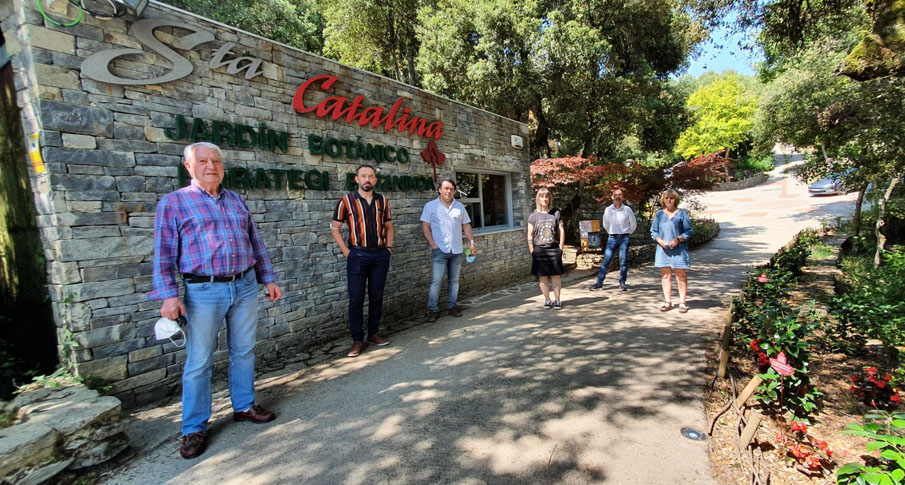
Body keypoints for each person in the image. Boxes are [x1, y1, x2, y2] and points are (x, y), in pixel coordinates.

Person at [149, 142, 283, 460]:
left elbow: (255, 242)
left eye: (216, 161)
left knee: (244, 351)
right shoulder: (174, 203)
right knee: (199, 362)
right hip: (202, 292)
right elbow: (163, 254)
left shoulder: (236, 200)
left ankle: (244, 406)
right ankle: (194, 428)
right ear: (188, 166)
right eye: (203, 161)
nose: (211, 166)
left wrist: (269, 278)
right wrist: (168, 295)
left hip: (245, 286)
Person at [331, 165, 394, 358]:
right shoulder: (346, 201)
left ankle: (373, 333)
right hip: (357, 255)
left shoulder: (382, 200)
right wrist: (346, 252)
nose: (367, 179)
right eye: (363, 176)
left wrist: (389, 248)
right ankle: (357, 340)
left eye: (371, 176)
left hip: (379, 255)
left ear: (375, 180)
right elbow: (335, 228)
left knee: (376, 297)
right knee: (356, 298)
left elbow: (389, 226)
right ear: (357, 179)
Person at [420, 178, 476, 322]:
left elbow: (467, 226)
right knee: (436, 281)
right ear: (439, 189)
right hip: (439, 250)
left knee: (454, 281)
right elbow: (425, 226)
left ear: (454, 191)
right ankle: (432, 310)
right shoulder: (430, 206)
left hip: (456, 249)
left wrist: (472, 243)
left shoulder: (460, 207)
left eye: (451, 189)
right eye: (445, 188)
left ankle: (452, 306)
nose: (448, 191)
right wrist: (432, 244)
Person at [651, 189, 693, 313]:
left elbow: (688, 231)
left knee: (680, 275)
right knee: (665, 275)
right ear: (663, 200)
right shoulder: (659, 214)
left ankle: (682, 302)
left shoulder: (682, 214)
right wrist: (659, 241)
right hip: (663, 249)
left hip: (679, 249)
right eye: (666, 198)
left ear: (675, 200)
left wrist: (678, 239)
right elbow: (654, 231)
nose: (669, 200)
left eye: (671, 198)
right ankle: (667, 301)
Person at [589, 187, 637, 292]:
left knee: (623, 261)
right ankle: (599, 283)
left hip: (624, 237)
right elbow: (605, 224)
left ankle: (622, 283)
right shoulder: (608, 210)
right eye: (616, 195)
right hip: (612, 238)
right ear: (612, 197)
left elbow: (633, 224)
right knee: (606, 260)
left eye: (620, 195)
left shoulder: (627, 210)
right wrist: (611, 232)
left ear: (623, 197)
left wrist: (627, 233)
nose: (617, 197)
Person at [527, 188, 566, 310]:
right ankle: (547, 300)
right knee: (542, 276)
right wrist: (532, 250)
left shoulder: (556, 213)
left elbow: (562, 230)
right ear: (538, 198)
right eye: (542, 197)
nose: (544, 199)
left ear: (549, 198)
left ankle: (558, 300)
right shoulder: (533, 216)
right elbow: (530, 234)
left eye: (546, 197)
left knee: (555, 276)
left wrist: (561, 248)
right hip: (539, 250)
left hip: (554, 249)